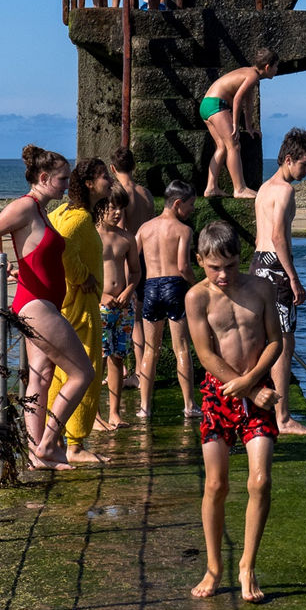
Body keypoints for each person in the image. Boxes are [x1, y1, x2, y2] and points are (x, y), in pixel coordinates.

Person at [0, 145, 94, 470]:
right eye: (62, 179)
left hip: (42, 303)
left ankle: (35, 452)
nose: (67, 185)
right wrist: (1, 263)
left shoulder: (41, 211)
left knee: (40, 378)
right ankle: (47, 444)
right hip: (35, 304)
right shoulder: (25, 207)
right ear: (43, 178)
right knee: (82, 373)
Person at [184, 221, 283, 603]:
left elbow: (275, 341)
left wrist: (255, 383)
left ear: (240, 259)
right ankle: (213, 567)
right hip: (218, 393)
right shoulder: (197, 298)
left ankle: (247, 566)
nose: (223, 274)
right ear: (200, 262)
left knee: (260, 481)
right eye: (213, 267)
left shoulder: (260, 287)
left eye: (230, 265)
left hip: (257, 390)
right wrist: (241, 386)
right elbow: (205, 354)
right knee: (216, 484)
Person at [252, 128, 306, 434]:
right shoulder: (284, 191)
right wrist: (294, 278)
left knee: (266, 339)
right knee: (283, 342)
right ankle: (283, 418)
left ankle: (261, 403)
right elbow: (279, 237)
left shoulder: (264, 188)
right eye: (305, 164)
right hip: (276, 267)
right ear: (289, 159)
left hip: (258, 263)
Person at [43, 157, 112, 464]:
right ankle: (75, 445)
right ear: (88, 184)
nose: (109, 182)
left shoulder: (62, 211)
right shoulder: (80, 218)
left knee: (60, 371)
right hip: (79, 305)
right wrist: (82, 276)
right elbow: (64, 244)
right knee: (87, 370)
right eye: (103, 177)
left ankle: (56, 437)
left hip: (64, 302)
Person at [134, 180, 199, 420]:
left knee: (151, 350)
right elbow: (183, 266)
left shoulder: (145, 228)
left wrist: (133, 283)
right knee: (181, 348)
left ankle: (144, 408)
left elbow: (131, 258)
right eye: (190, 205)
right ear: (178, 203)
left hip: (151, 287)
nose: (192, 209)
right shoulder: (183, 230)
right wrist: (197, 283)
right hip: (174, 286)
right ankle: (189, 405)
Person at [199, 49, 278, 200]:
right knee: (234, 145)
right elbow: (237, 100)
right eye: (276, 67)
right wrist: (235, 125)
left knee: (221, 147)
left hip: (206, 105)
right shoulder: (252, 76)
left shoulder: (250, 74)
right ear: (267, 67)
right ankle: (239, 189)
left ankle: (211, 188)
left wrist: (249, 127)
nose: (277, 70)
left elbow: (248, 105)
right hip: (217, 105)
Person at [92, 191, 142, 430]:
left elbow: (135, 271)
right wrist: (100, 295)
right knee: (97, 360)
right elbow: (82, 272)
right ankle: (95, 413)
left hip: (123, 307)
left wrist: (129, 291)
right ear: (100, 207)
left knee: (118, 357)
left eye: (120, 208)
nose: (117, 212)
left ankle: (114, 412)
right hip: (98, 304)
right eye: (112, 207)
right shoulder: (91, 235)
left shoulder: (127, 238)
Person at [109, 147, 154, 389]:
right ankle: (127, 369)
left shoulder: (120, 194)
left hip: (130, 258)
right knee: (138, 318)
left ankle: (135, 371)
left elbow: (122, 230)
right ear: (134, 166)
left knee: (132, 319)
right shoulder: (146, 193)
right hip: (148, 259)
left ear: (113, 169)